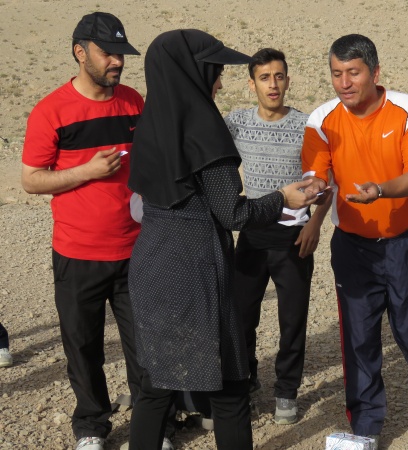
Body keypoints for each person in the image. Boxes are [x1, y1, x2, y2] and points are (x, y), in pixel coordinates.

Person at [125, 29, 317, 450]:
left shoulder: (152, 124)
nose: (219, 82)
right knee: (230, 389)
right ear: (194, 72)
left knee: (155, 387)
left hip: (151, 263)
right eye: (215, 71)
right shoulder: (204, 130)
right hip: (195, 270)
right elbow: (233, 213)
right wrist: (282, 198)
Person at [301, 34, 408, 445]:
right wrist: (313, 189)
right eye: (336, 74)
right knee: (359, 338)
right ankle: (365, 427)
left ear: (375, 72)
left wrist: (379, 191)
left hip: (407, 242)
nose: (344, 83)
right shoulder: (321, 120)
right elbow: (317, 176)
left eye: (353, 72)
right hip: (353, 247)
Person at [21, 12, 146, 450]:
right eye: (108, 53)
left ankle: (153, 428)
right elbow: (31, 180)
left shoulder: (134, 102)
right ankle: (92, 426)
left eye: (121, 54)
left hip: (135, 251)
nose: (118, 62)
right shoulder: (51, 110)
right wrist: (86, 172)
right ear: (80, 52)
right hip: (77, 254)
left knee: (144, 348)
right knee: (83, 347)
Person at [225, 48, 331, 425]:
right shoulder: (235, 123)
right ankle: (246, 379)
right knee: (241, 317)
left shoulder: (306, 125)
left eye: (279, 76)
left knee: (293, 320)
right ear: (251, 83)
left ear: (288, 80)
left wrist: (315, 224)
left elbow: (326, 183)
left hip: (293, 238)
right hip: (251, 235)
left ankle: (286, 390)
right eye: (265, 77)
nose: (273, 84)